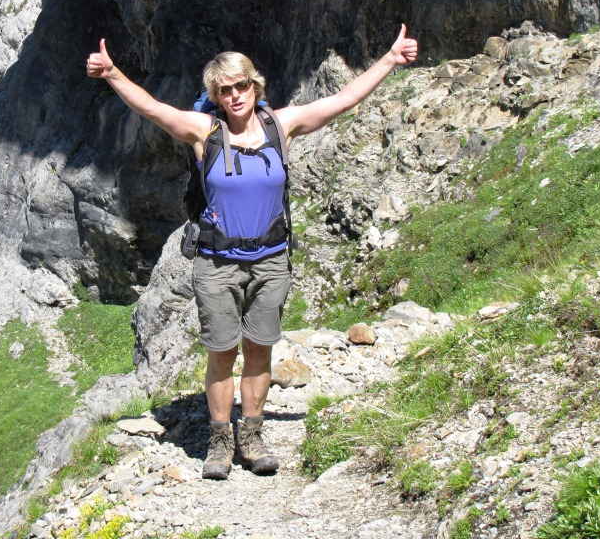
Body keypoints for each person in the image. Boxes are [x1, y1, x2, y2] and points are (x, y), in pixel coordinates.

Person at [86, 25, 418, 479]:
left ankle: (253, 435)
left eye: (241, 85)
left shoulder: (281, 125)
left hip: (271, 261)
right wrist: (112, 74)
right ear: (216, 97)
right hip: (217, 264)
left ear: (254, 85)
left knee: (260, 350)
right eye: (224, 90)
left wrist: (390, 59)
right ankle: (220, 441)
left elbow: (342, 100)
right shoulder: (204, 131)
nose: (235, 95)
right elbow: (152, 109)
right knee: (222, 354)